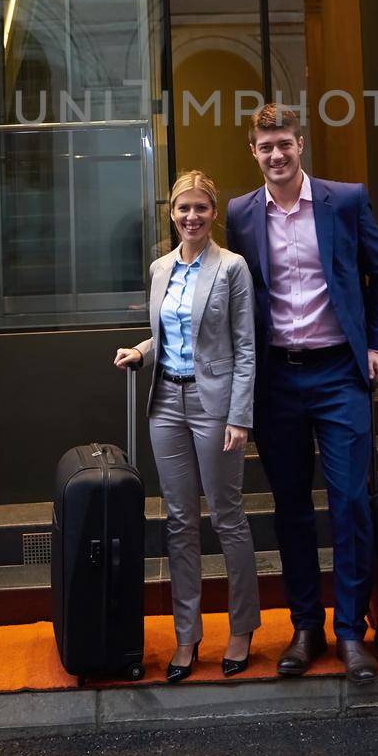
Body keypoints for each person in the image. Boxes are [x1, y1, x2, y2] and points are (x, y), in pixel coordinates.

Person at [226, 106, 378, 685]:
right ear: (254, 152)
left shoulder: (343, 201)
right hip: (277, 380)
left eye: (285, 144)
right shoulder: (241, 214)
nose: (277, 155)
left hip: (339, 375)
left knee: (349, 501)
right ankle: (305, 627)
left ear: (302, 145)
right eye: (266, 146)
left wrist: (376, 344)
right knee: (291, 506)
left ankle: (351, 633)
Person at [114, 171, 261, 682]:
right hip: (166, 402)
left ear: (213, 213)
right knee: (179, 521)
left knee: (227, 517)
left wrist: (240, 415)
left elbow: (245, 347)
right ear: (171, 214)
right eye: (183, 209)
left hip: (214, 404)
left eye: (201, 208)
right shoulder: (160, 269)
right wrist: (142, 350)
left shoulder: (232, 268)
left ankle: (241, 629)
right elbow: (170, 333)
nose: (191, 217)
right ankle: (187, 636)